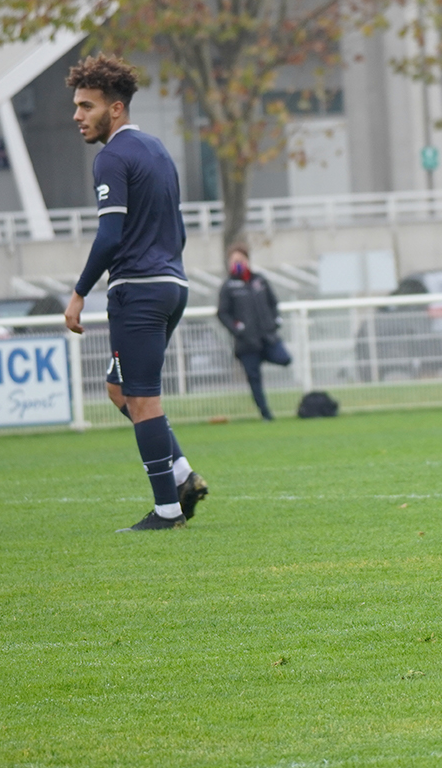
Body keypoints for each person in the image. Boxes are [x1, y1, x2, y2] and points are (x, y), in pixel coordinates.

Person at [63, 54, 207, 531]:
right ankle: (182, 474)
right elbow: (177, 228)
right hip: (172, 285)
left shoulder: (111, 157)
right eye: (77, 106)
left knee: (142, 399)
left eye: (87, 106)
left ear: (116, 108)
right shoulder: (157, 150)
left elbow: (110, 237)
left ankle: (167, 511)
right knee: (118, 389)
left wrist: (79, 292)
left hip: (139, 291)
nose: (78, 115)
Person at [217, 245, 292, 420]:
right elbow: (222, 313)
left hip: (267, 337)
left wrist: (275, 320)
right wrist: (237, 328)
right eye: (234, 261)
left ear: (247, 261)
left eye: (240, 260)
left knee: (285, 359)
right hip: (246, 342)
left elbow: (273, 302)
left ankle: (263, 356)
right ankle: (265, 414)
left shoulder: (260, 280)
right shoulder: (228, 286)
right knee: (254, 378)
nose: (238, 264)